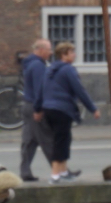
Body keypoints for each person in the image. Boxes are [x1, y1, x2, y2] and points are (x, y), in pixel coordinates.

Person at [34, 42, 99, 184]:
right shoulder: (68, 70)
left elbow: (40, 90)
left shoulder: (49, 70)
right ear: (63, 55)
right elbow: (80, 90)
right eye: (71, 52)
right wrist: (92, 108)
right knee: (61, 141)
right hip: (62, 109)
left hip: (48, 109)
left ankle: (63, 172)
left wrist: (38, 109)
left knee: (64, 139)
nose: (74, 55)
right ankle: (55, 175)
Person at [19, 39, 56, 183]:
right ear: (40, 50)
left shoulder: (30, 63)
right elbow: (40, 89)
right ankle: (59, 171)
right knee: (48, 139)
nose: (51, 52)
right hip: (35, 107)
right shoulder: (38, 66)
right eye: (49, 49)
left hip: (27, 105)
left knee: (29, 141)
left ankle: (25, 171)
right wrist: (39, 109)